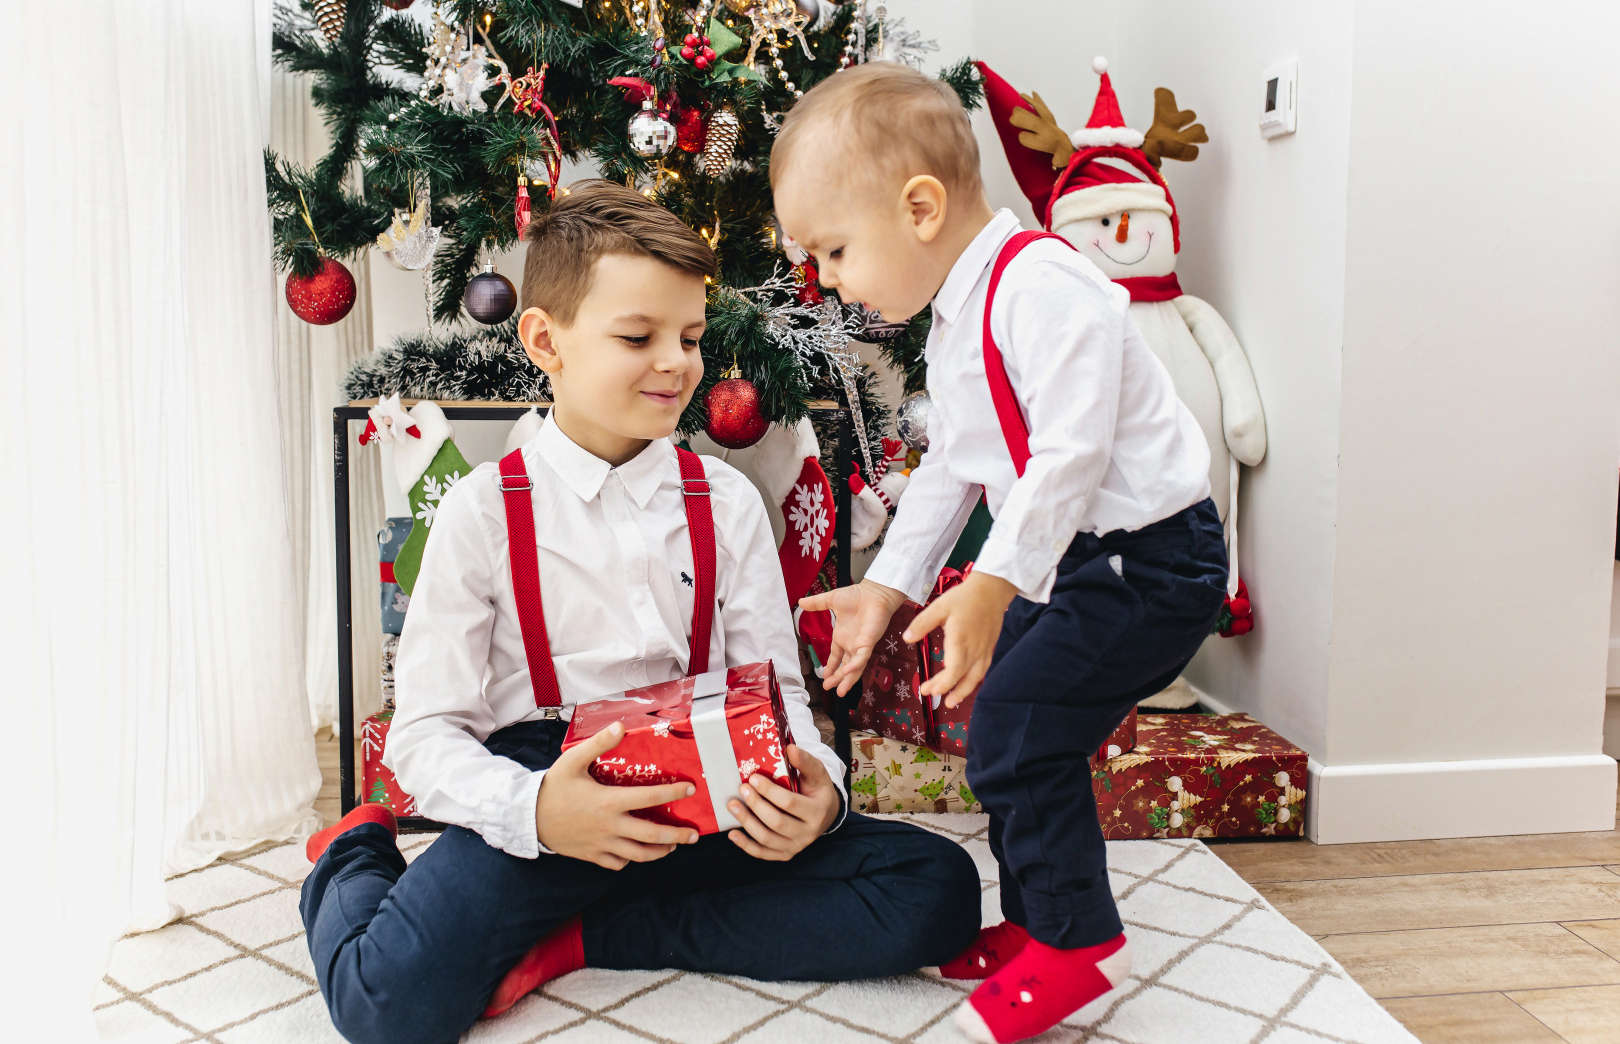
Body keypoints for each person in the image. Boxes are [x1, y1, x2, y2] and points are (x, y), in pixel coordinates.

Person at [298, 181, 980, 1044]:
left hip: (708, 778)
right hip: (552, 788)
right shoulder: (482, 512)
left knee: (937, 889)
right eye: (638, 337)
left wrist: (822, 789)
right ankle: (352, 852)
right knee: (387, 1005)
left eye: (691, 338)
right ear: (545, 339)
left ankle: (594, 936)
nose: (678, 363)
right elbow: (425, 734)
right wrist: (537, 811)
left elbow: (777, 697)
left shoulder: (726, 503)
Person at [775, 64, 1228, 1044]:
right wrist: (889, 587)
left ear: (921, 207)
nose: (832, 281)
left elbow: (1074, 448)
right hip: (1077, 560)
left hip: (1148, 565)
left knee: (1018, 733)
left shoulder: (1043, 283)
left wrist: (993, 581)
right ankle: (1033, 926)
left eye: (838, 250)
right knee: (1013, 731)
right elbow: (960, 466)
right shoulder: (958, 315)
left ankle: (1076, 945)